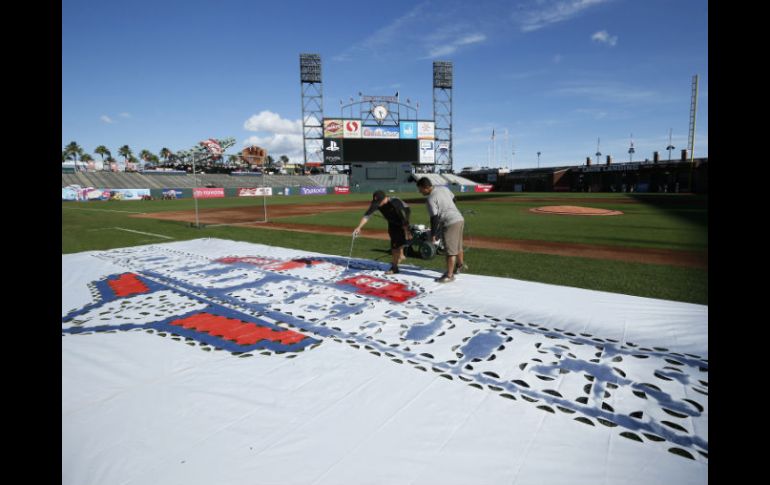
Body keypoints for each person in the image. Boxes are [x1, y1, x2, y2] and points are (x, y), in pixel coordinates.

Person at [416, 177, 466, 283]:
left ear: (425, 188)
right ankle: (460, 265)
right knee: (458, 245)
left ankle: (449, 275)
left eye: (420, 189)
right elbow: (454, 199)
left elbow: (434, 218)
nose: (419, 191)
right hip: (459, 219)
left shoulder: (430, 199)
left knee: (450, 250)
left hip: (450, 222)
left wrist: (434, 234)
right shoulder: (443, 188)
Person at [353, 190, 411, 274]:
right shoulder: (376, 204)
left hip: (401, 223)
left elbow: (406, 210)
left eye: (379, 202)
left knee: (395, 246)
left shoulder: (395, 203)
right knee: (395, 242)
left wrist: (406, 226)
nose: (377, 205)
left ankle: (394, 268)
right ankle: (401, 256)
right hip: (391, 223)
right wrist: (359, 227)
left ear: (384, 199)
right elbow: (367, 215)